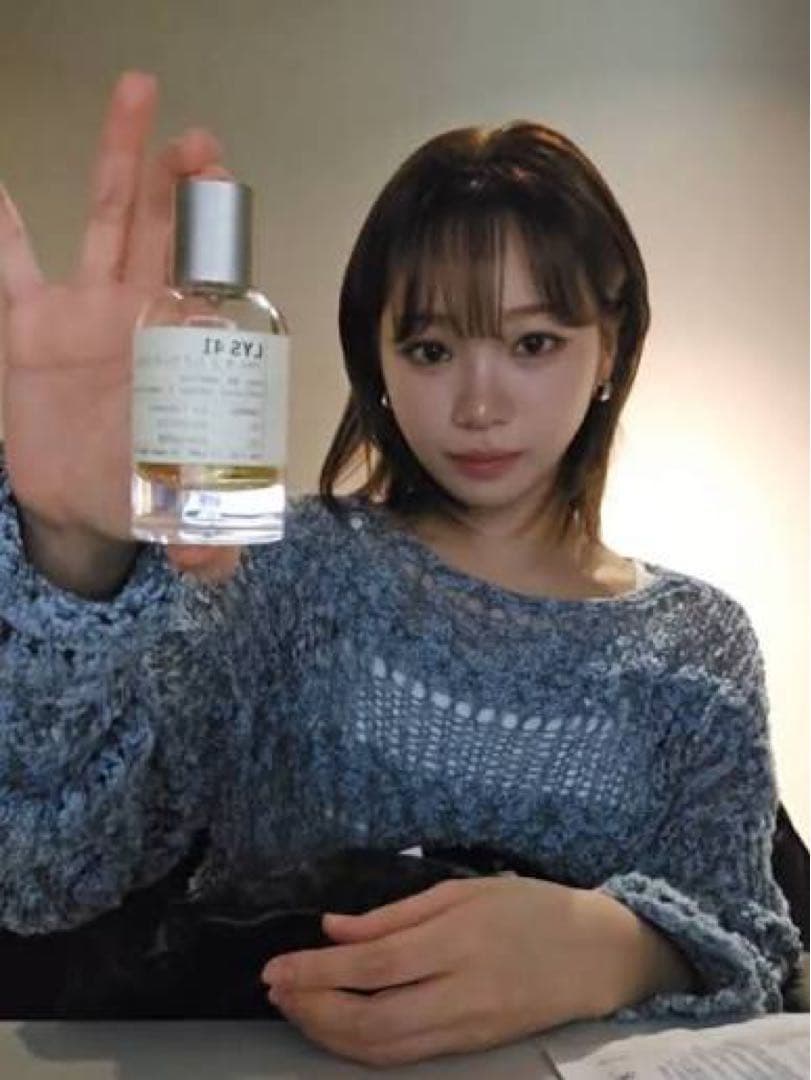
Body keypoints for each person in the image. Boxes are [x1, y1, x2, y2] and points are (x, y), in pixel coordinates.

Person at [0, 70, 802, 1068]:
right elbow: (43, 876)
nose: (478, 404)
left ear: (609, 349)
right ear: (374, 362)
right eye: (429, 349)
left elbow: (756, 948)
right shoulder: (281, 572)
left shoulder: (699, 645)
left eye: (533, 342)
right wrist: (70, 552)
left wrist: (617, 949)